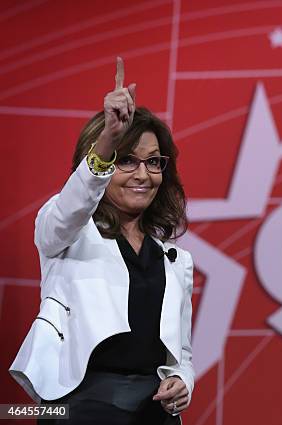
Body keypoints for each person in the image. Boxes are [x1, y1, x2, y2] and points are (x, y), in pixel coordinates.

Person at [9, 57, 195, 424]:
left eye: (154, 162)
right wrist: (108, 139)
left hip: (152, 412)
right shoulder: (65, 232)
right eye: (128, 160)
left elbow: (180, 353)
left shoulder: (175, 259)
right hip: (80, 407)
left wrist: (181, 380)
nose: (143, 174)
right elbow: (73, 206)